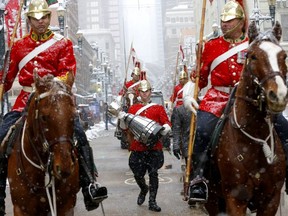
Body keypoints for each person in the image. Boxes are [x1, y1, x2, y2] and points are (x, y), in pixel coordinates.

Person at [0, 0, 107, 214]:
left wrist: (50, 83)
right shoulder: (19, 46)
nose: (40, 23)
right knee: (2, 137)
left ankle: (88, 186)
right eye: (35, 19)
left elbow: (67, 73)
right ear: (28, 20)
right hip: (25, 102)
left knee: (79, 137)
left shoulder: (63, 43)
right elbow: (8, 78)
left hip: (55, 100)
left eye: (44, 18)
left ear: (49, 18)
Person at [184, 0, 288, 206]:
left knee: (284, 128)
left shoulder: (254, 44)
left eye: (230, 20)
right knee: (202, 131)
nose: (224, 24)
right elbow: (199, 78)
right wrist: (189, 92)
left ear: (242, 22)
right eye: (223, 21)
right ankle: (200, 180)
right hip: (218, 98)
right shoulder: (211, 46)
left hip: (250, 98)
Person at [119, 79, 171, 212]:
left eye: (147, 91)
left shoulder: (158, 108)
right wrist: (122, 119)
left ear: (150, 92)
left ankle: (152, 201)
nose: (144, 94)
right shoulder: (133, 108)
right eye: (142, 91)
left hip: (154, 147)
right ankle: (143, 189)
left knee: (153, 174)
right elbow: (126, 128)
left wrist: (165, 128)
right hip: (138, 147)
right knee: (137, 174)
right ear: (138, 93)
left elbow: (166, 123)